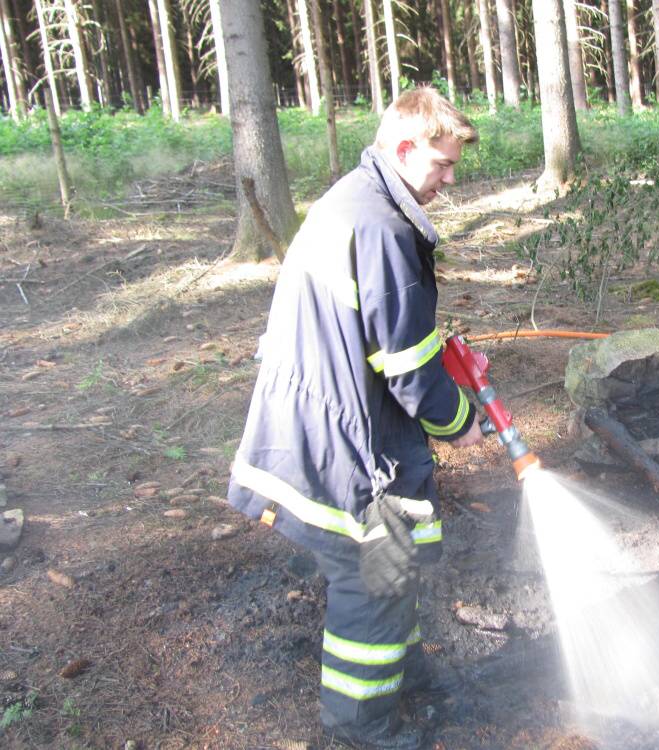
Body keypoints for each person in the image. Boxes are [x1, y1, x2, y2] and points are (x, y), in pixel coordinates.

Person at [227, 87, 484, 750]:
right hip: (342, 440)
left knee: (385, 574)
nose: (449, 180)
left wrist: (440, 363)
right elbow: (405, 368)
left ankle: (409, 678)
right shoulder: (383, 227)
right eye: (441, 165)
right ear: (403, 148)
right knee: (372, 577)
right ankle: (359, 732)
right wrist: (462, 419)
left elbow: (385, 336)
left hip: (318, 417)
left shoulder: (357, 198)